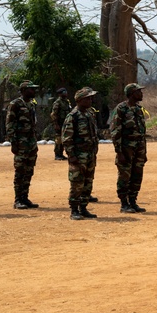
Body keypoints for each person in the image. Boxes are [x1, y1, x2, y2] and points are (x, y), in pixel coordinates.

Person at [110, 83, 149, 213]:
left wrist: (144, 152)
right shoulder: (121, 109)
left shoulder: (138, 109)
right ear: (132, 93)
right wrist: (119, 151)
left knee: (137, 175)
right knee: (124, 176)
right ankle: (124, 203)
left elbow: (142, 132)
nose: (141, 94)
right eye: (139, 91)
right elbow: (115, 131)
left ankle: (133, 201)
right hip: (126, 149)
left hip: (139, 149)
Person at [63, 87, 100, 220]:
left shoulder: (89, 114)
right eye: (88, 98)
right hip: (78, 156)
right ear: (80, 100)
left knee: (88, 182)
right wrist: (71, 156)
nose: (90, 100)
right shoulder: (73, 116)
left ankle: (83, 208)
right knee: (77, 183)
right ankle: (74, 210)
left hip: (90, 155)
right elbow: (67, 138)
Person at [6, 80, 41, 209]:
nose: (33, 91)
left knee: (29, 170)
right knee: (20, 171)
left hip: (31, 142)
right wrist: (13, 142)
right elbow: (10, 124)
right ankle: (17, 199)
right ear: (23, 90)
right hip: (20, 143)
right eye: (31, 89)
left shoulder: (31, 104)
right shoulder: (15, 104)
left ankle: (25, 198)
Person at [51, 87, 71, 161]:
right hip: (59, 123)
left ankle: (61, 154)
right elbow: (53, 114)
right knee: (58, 139)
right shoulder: (57, 102)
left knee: (64, 139)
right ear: (60, 94)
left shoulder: (66, 102)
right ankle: (57, 154)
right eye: (63, 92)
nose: (65, 93)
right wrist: (56, 124)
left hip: (65, 123)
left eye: (65, 92)